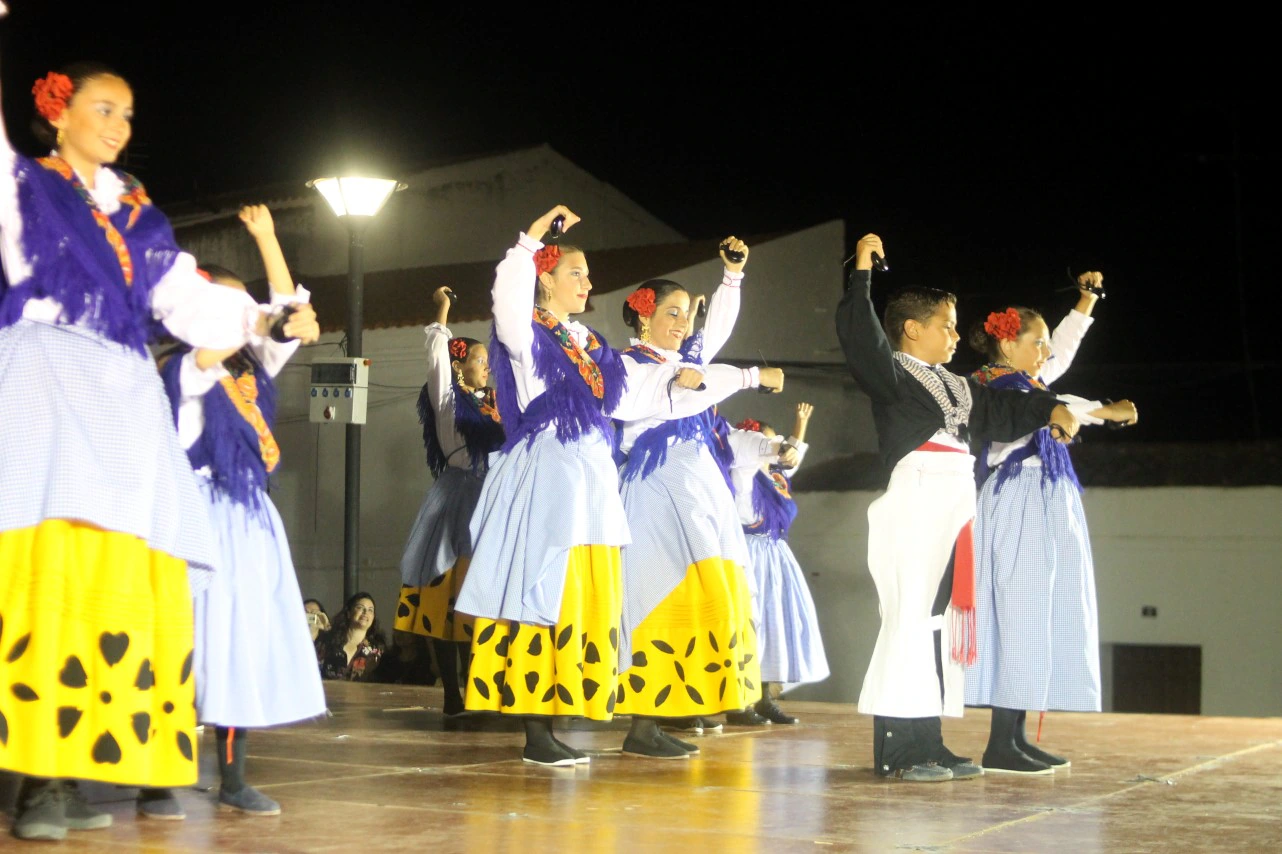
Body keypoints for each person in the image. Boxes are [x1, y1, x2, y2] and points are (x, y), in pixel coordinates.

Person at [0, 62, 284, 841]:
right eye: (103, 108)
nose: (120, 124)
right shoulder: (21, 187)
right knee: (51, 568)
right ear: (58, 115)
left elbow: (182, 296)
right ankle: (35, 784)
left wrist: (258, 323)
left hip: (121, 400)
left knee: (115, 575)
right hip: (46, 380)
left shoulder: (136, 212)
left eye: (128, 113)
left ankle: (71, 771)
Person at [835, 232, 1081, 782]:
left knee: (939, 622)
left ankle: (931, 742)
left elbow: (1009, 409)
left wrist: (1055, 409)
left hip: (953, 503)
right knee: (910, 618)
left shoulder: (957, 386)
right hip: (916, 501)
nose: (954, 334)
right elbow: (862, 340)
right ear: (911, 330)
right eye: (945, 324)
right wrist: (862, 276)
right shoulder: (893, 373)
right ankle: (898, 752)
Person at [147, 206, 325, 818]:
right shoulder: (178, 365)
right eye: (224, 305)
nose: (241, 315)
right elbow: (235, 341)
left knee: (237, 644)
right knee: (179, 642)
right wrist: (268, 321)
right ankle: (155, 780)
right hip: (186, 511)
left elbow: (282, 307)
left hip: (247, 516)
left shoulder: (253, 365)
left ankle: (233, 777)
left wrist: (267, 239)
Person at [455, 205, 629, 767]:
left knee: (578, 595)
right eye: (575, 273)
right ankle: (535, 732)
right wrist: (530, 239)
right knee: (542, 591)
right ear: (546, 281)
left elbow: (635, 400)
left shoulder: (590, 346)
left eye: (587, 275)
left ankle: (557, 717)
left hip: (592, 479)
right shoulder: (528, 337)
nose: (587, 283)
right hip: (550, 474)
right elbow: (507, 299)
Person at [610, 242, 783, 757]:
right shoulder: (629, 365)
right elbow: (687, 390)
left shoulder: (680, 361)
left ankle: (675, 707)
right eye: (672, 312)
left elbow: (715, 338)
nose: (683, 323)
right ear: (644, 316)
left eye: (687, 314)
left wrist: (732, 276)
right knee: (656, 595)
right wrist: (749, 376)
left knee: (709, 591)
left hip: (695, 485)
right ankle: (641, 725)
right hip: (657, 486)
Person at [965, 281, 1138, 774]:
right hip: (1019, 498)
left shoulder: (1031, 384)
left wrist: (1085, 304)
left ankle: (1015, 736)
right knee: (1020, 612)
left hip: (1044, 499)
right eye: (1035, 342)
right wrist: (1104, 412)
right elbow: (1047, 411)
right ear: (1007, 344)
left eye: (1044, 343)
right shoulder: (997, 386)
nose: (1045, 352)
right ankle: (1000, 742)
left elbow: (1059, 361)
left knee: (1037, 614)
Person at [395, 285, 503, 716]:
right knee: (446, 595)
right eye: (479, 360)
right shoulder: (447, 400)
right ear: (459, 366)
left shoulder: (496, 406)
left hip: (491, 497)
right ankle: (451, 692)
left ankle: (480, 687)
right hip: (458, 495)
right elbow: (436, 355)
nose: (486, 368)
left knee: (482, 595)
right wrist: (441, 310)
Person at [728, 404, 830, 725]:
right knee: (749, 625)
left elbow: (791, 459)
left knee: (773, 626)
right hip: (749, 553)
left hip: (775, 555)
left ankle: (763, 698)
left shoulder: (775, 476)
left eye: (777, 443)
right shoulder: (741, 475)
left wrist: (800, 425)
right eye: (769, 443)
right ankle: (738, 702)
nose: (776, 449)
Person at [317, 593, 387, 681]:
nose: (365, 612)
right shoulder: (328, 641)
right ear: (349, 613)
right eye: (360, 607)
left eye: (370, 610)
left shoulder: (377, 650)